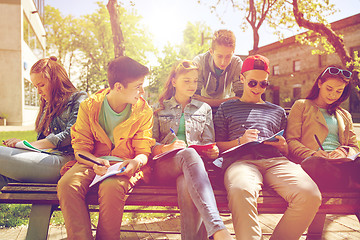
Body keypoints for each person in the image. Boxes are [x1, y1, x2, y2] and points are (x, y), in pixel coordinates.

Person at [213, 54, 322, 239]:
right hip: (241, 162)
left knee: (310, 196)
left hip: (276, 161)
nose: (258, 88)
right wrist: (241, 141)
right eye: (252, 83)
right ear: (242, 79)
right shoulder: (227, 108)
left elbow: (286, 149)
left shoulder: (277, 111)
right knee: (241, 190)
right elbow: (217, 147)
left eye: (263, 84)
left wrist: (284, 146)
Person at [57, 56, 155, 240]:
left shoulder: (143, 111)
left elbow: (143, 151)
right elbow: (80, 148)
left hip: (123, 166)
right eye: (137, 86)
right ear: (118, 87)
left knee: (112, 188)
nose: (142, 91)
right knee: (67, 185)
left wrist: (136, 162)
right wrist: (95, 162)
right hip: (92, 161)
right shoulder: (90, 106)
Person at [152, 60, 233, 240]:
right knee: (188, 153)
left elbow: (209, 142)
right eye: (186, 81)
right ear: (174, 81)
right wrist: (167, 147)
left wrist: (212, 151)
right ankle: (217, 228)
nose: (192, 85)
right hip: (165, 167)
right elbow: (149, 144)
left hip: (193, 172)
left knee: (185, 183)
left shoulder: (204, 109)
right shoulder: (159, 108)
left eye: (195, 81)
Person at [0, 56, 87, 189]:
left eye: (41, 85)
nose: (39, 92)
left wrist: (28, 144)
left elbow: (71, 134)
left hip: (66, 161)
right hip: (45, 159)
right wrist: (21, 146)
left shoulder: (79, 98)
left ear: (56, 81)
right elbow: (40, 146)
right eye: (36, 86)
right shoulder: (46, 106)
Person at [286, 65, 360, 190]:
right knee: (315, 164)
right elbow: (291, 141)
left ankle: (346, 182)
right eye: (329, 89)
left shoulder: (345, 115)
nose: (333, 95)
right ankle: (347, 183)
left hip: (341, 164)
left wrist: (343, 151)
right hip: (313, 163)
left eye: (339, 91)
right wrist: (313, 154)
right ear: (320, 83)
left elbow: (354, 147)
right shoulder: (302, 106)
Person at [192, 29, 243, 111]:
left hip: (225, 108)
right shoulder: (199, 61)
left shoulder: (237, 63)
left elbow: (241, 98)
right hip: (201, 108)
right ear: (211, 51)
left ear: (233, 52)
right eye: (219, 56)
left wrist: (209, 102)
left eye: (228, 56)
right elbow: (194, 97)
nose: (223, 62)